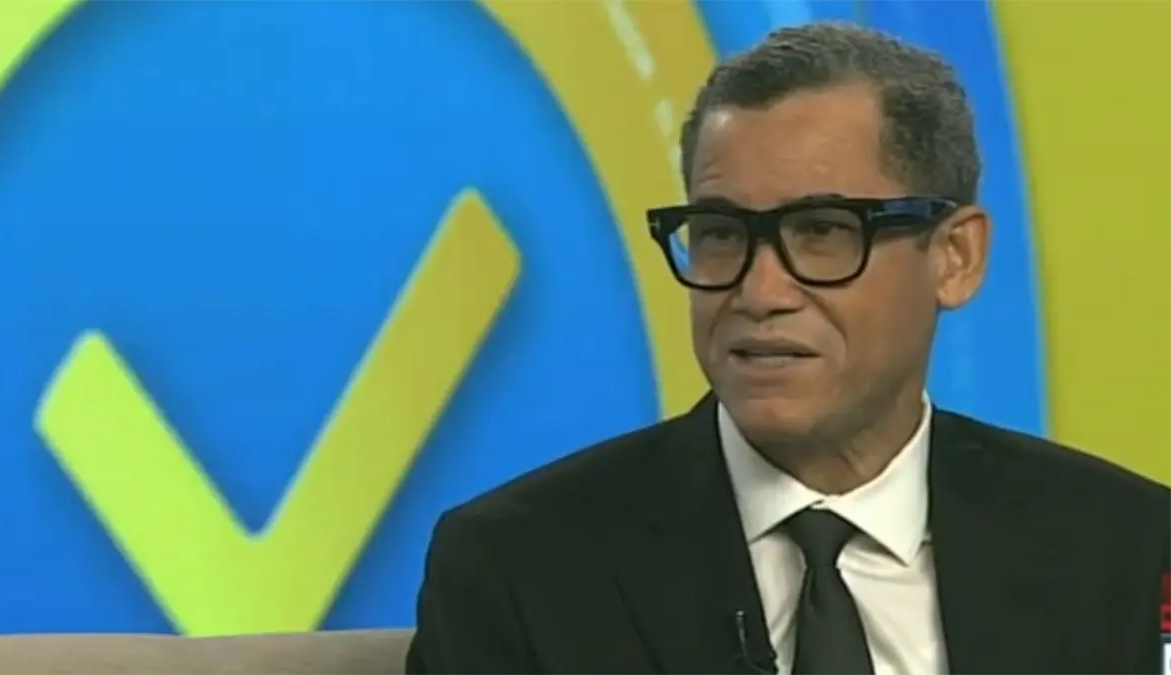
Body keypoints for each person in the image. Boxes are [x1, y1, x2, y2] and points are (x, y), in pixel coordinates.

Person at [405, 22, 1171, 675]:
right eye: (720, 233)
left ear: (954, 257)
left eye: (823, 231)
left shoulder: (1126, 550)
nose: (760, 290)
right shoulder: (520, 566)